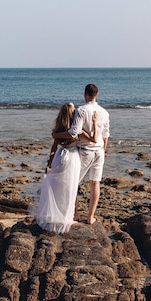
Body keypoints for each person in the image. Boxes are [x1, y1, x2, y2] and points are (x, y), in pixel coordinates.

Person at [30, 103, 98, 234]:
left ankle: (56, 215)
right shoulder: (77, 130)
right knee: (69, 189)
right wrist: (94, 123)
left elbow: (54, 147)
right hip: (72, 159)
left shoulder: (58, 130)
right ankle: (68, 217)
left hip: (59, 158)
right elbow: (93, 139)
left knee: (57, 187)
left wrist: (49, 163)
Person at [52, 84, 110, 225]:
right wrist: (103, 150)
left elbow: (73, 132)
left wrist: (56, 135)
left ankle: (75, 215)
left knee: (72, 182)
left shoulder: (81, 110)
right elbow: (106, 135)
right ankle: (90, 217)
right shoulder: (104, 112)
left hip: (85, 151)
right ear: (97, 95)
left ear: (85, 94)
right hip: (99, 151)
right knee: (95, 183)